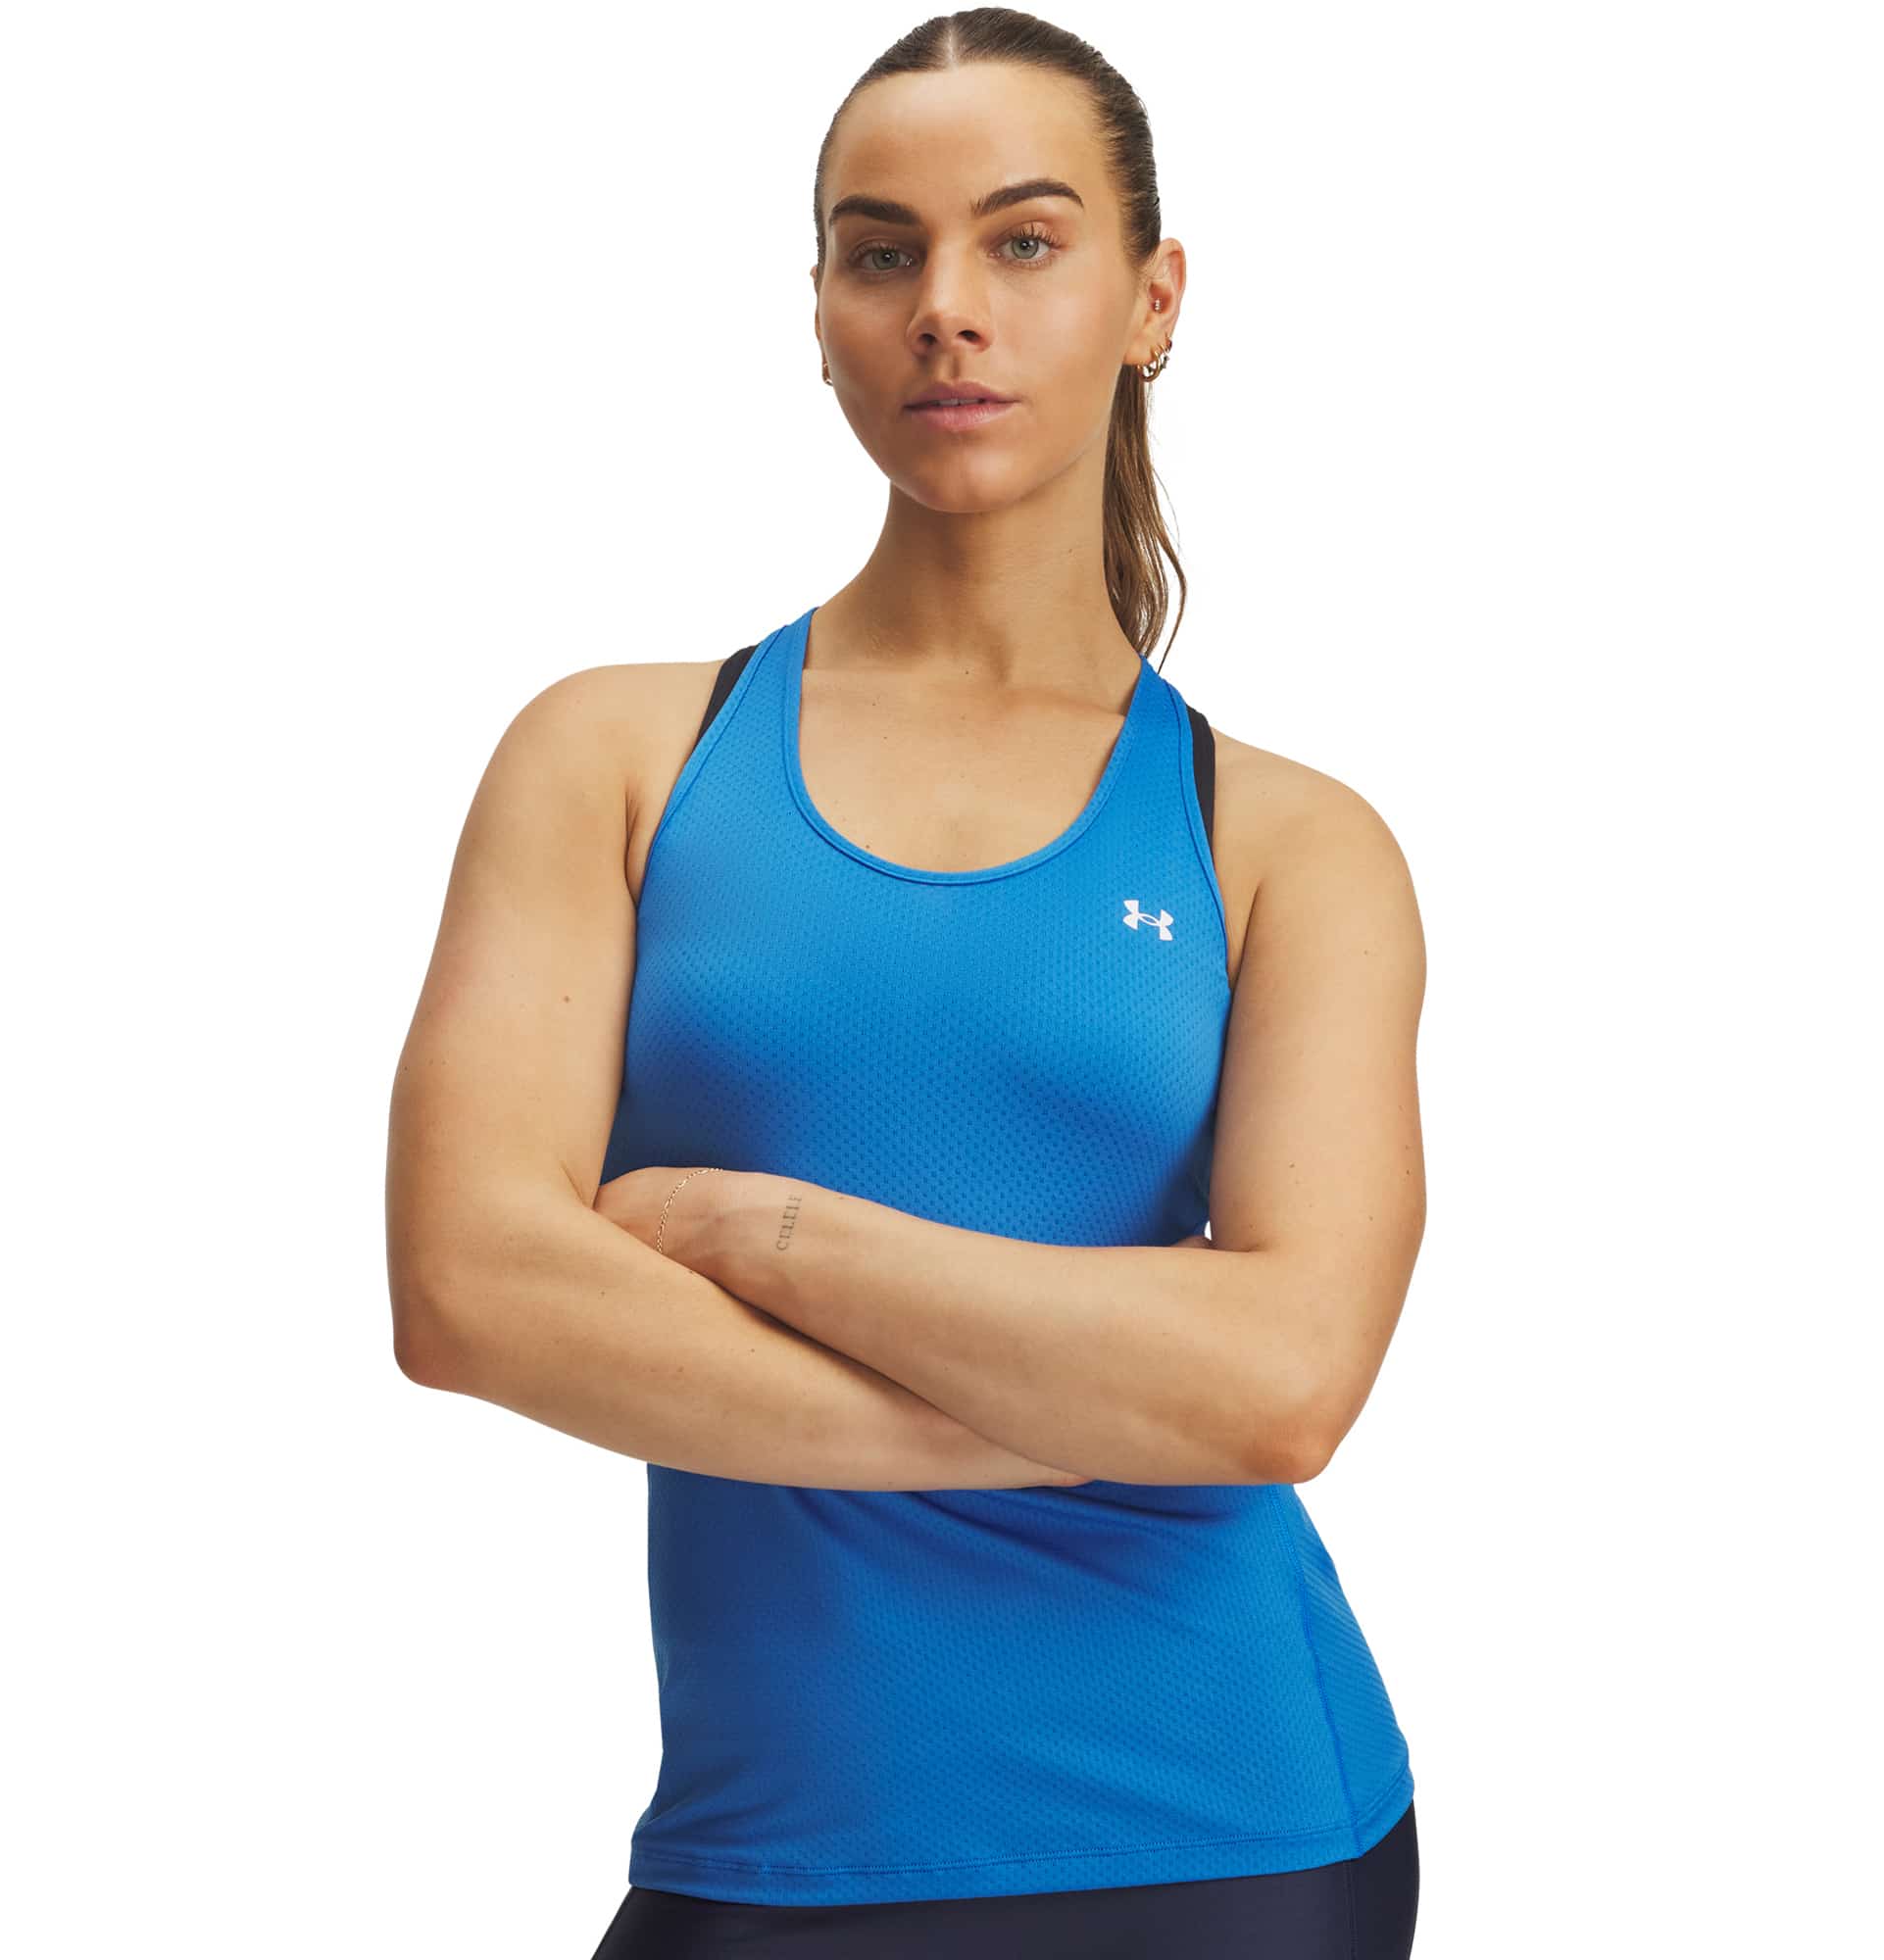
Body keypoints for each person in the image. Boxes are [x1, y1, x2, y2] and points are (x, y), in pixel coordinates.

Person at [386, 10, 1428, 1956]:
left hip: (1232, 1830)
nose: (947, 307)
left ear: (1153, 299)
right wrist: (1076, 1412)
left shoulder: (1290, 844)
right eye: (883, 252)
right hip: (773, 1848)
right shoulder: (617, 756)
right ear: (821, 312)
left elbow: (1284, 1382)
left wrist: (755, 1232)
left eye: (1024, 241)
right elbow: (468, 1293)